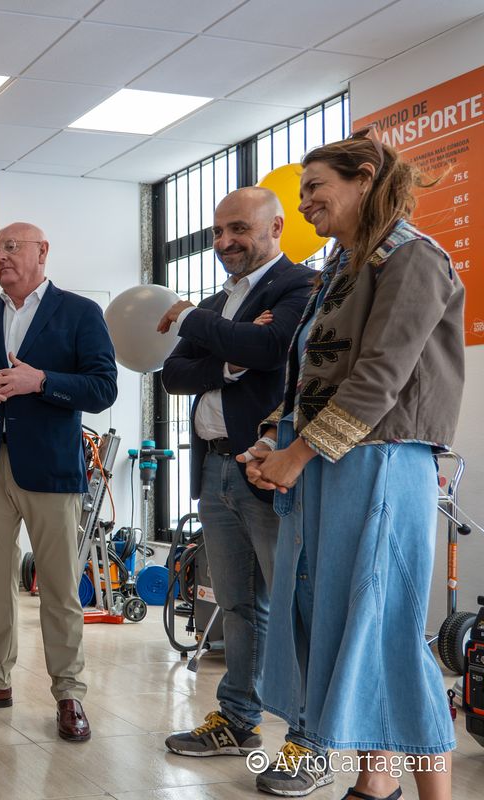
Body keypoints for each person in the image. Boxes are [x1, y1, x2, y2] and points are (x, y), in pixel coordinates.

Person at [242, 131, 464, 800]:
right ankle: (375, 783)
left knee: (389, 632)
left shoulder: (414, 257)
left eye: (316, 187)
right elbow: (311, 373)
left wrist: (298, 452)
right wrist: (272, 440)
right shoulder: (343, 266)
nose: (304, 203)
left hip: (382, 464)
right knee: (346, 630)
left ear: (365, 177)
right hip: (328, 465)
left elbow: (378, 379)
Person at [158, 188, 326, 795]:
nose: (225, 241)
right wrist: (229, 357)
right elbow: (174, 374)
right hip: (215, 470)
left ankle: (310, 739)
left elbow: (271, 349)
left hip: (268, 468)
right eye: (217, 232)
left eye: (238, 229)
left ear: (276, 226)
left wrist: (197, 324)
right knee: (236, 606)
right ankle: (236, 720)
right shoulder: (217, 302)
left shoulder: (300, 286)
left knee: (295, 607)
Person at [0, 222, 117, 742]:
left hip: (50, 468)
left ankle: (69, 693)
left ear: (43, 251)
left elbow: (103, 387)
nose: (1, 257)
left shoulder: (80, 312)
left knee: (59, 587)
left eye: (12, 247)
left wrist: (40, 381)